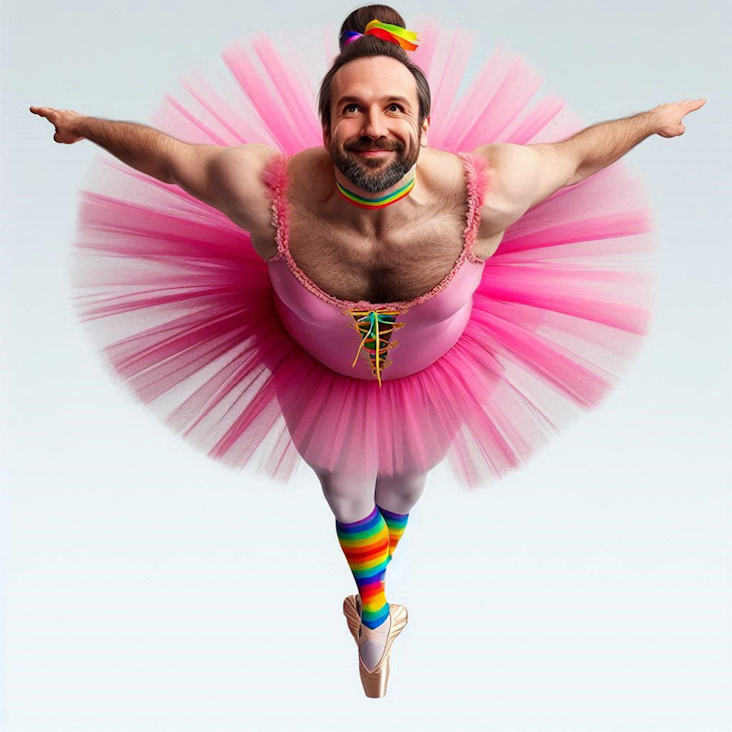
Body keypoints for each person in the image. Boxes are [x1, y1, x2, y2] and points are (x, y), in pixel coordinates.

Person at [30, 4, 704, 697]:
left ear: (422, 122)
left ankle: (372, 603)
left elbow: (577, 156)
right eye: (352, 110)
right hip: (315, 370)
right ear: (325, 125)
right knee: (348, 494)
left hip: (437, 372)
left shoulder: (487, 193)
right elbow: (172, 159)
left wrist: (653, 121)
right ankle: (376, 617)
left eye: (393, 108)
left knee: (404, 490)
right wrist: (83, 128)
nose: (374, 128)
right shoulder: (269, 196)